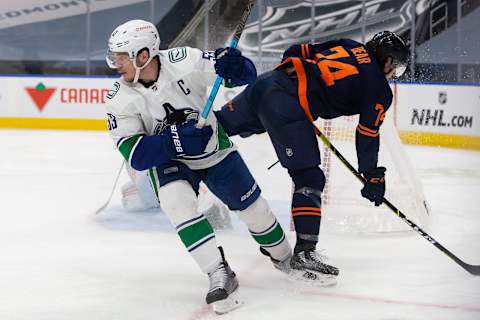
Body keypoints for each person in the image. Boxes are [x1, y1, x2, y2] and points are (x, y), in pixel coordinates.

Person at [104, 19, 319, 315]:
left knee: (254, 211)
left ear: (143, 55)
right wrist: (176, 142)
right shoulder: (118, 98)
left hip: (215, 151)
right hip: (170, 162)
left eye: (121, 56)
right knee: (176, 203)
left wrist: (235, 65)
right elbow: (136, 154)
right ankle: (218, 271)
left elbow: (244, 76)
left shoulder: (185, 61)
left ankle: (284, 257)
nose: (116, 64)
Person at [215, 31, 409, 278]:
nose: (393, 76)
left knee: (211, 130)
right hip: (286, 105)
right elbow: (367, 133)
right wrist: (372, 174)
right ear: (389, 60)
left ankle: (172, 148)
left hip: (266, 84)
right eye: (396, 69)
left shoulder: (350, 45)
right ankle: (306, 251)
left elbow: (296, 51)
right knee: (309, 179)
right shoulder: (379, 88)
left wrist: (303, 88)